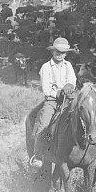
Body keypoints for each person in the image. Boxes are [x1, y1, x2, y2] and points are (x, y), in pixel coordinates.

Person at [29, 37, 77, 168]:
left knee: (82, 115)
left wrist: (69, 85)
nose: (60, 55)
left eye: (62, 52)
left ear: (66, 54)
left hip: (68, 99)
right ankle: (37, 154)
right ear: (52, 52)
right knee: (44, 122)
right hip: (53, 100)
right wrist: (59, 93)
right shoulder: (46, 67)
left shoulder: (68, 66)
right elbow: (46, 89)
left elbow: (73, 80)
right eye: (57, 52)